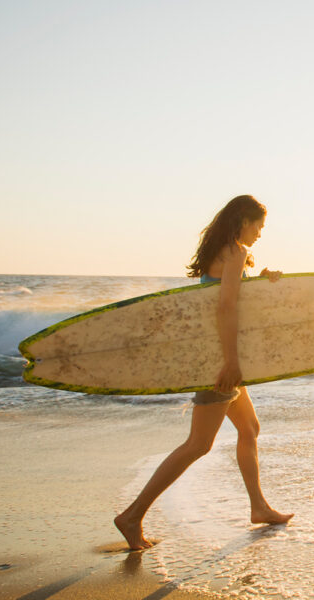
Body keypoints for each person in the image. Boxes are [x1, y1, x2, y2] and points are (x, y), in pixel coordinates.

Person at [114, 195, 292, 551]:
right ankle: (132, 516)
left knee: (249, 428)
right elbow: (225, 308)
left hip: (214, 355)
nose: (260, 232)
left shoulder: (224, 252)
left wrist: (261, 282)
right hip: (219, 360)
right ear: (244, 219)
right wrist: (231, 362)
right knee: (198, 444)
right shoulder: (236, 251)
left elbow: (228, 297)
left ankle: (258, 506)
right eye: (259, 225)